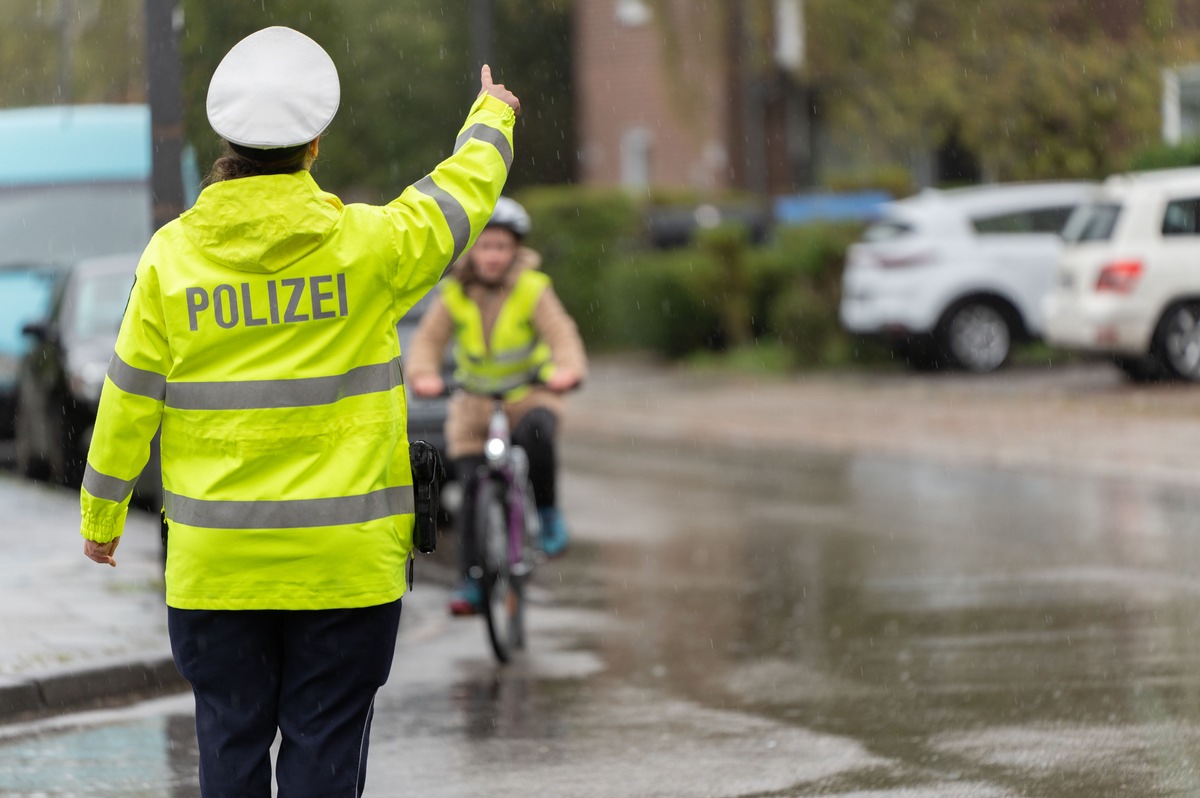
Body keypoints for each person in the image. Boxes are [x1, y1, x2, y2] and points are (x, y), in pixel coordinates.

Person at [79, 26, 518, 797]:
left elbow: (128, 397)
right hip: (344, 569)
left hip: (218, 570)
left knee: (230, 739)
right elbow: (458, 198)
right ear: (314, 142)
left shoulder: (170, 259)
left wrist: (101, 514)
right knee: (325, 743)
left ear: (226, 143)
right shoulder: (371, 247)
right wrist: (492, 118)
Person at [406, 196, 587, 616]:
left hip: (528, 395)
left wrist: (568, 370)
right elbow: (427, 344)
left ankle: (547, 513)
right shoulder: (453, 295)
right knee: (470, 490)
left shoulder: (532, 288)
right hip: (474, 405)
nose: (492, 256)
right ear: (473, 252)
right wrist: (423, 374)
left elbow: (563, 335)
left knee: (538, 434)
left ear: (515, 250)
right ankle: (471, 580)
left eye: (501, 247)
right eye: (485, 247)